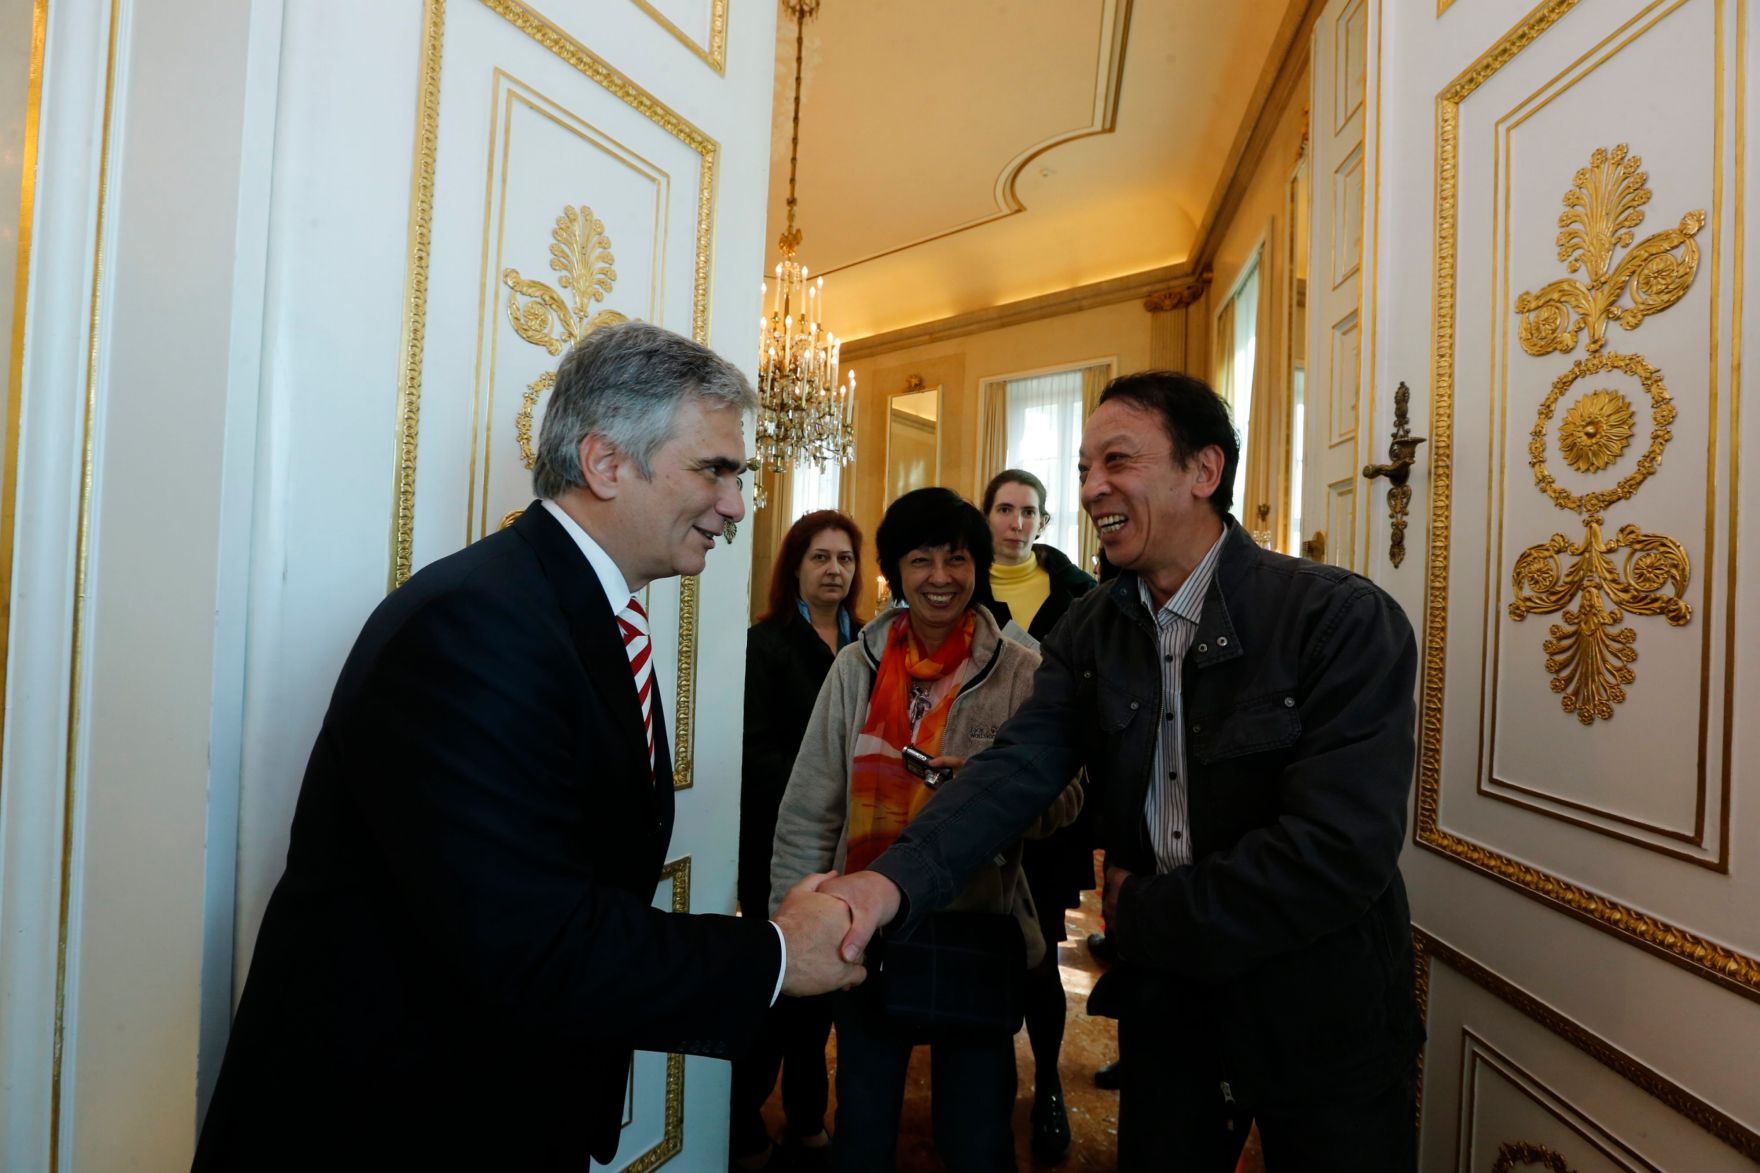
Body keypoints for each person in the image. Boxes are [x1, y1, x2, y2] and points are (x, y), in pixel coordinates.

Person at [193, 322, 863, 1170]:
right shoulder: (476, 623)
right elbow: (535, 938)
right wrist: (773, 953)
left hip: (499, 1100)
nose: (736, 505)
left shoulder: (575, 605)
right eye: (715, 469)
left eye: (740, 475)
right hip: (392, 1122)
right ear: (607, 462)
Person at [820, 372, 1424, 1172]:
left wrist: (1142, 912)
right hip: (1169, 1013)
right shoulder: (1093, 626)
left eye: (1117, 460)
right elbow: (1015, 770)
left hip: (1320, 1011)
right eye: (1082, 468)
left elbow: (1338, 851)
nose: (1091, 487)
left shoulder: (1338, 619)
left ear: (1203, 471)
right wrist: (886, 882)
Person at [770, 487, 1080, 1173]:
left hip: (976, 929)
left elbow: (1069, 794)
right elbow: (811, 805)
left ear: (979, 568)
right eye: (921, 560)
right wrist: (792, 926)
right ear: (894, 573)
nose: (940, 577)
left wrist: (991, 787)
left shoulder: (1022, 669)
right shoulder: (857, 666)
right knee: (865, 1128)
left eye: (957, 559)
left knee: (977, 1134)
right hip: (866, 929)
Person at [731, 510, 866, 1172]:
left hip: (852, 850)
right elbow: (755, 753)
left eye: (845, 558)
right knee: (776, 980)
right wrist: (822, 790)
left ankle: (808, 1116)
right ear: (796, 568)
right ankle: (742, 1116)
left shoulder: (869, 645)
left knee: (828, 986)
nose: (835, 569)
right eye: (821, 557)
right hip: (779, 843)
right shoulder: (764, 645)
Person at [979, 468, 1098, 1162]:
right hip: (982, 791)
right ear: (986, 514)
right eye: (1004, 508)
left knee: (1044, 948)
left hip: (1055, 798)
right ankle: (986, 1087)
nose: (1015, 521)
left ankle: (1048, 1080)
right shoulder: (960, 584)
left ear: (1043, 522)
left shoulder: (1081, 594)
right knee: (989, 951)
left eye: (1028, 511)